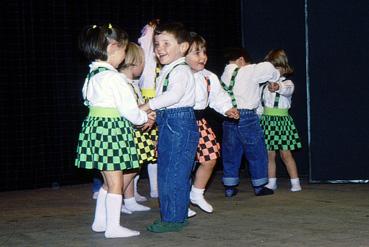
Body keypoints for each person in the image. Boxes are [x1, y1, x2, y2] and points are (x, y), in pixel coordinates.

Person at [75, 23, 154, 238]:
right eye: (124, 50)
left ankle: (101, 222)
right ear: (113, 48)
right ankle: (113, 227)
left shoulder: (92, 76)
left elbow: (87, 100)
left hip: (96, 130)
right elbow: (129, 110)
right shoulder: (115, 78)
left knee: (108, 181)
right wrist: (143, 117)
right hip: (111, 132)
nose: (124, 56)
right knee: (116, 182)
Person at [140, 22, 199, 233]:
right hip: (170, 121)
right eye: (156, 43)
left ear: (183, 47)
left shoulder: (181, 70)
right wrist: (153, 115)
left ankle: (173, 219)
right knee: (167, 171)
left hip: (180, 123)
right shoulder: (168, 69)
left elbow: (173, 96)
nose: (159, 48)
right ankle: (176, 215)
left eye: (166, 43)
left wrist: (147, 105)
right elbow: (164, 99)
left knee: (173, 173)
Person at [185, 32, 239, 214]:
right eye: (196, 53)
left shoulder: (209, 76)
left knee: (211, 157)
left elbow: (218, 96)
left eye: (204, 52)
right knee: (182, 164)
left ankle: (197, 193)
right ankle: (179, 202)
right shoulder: (176, 74)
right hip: (180, 122)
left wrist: (227, 109)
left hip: (200, 122)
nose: (202, 57)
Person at [220, 47, 280, 197]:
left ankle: (229, 187)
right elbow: (269, 69)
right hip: (247, 116)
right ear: (241, 59)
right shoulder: (250, 70)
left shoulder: (224, 74)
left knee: (231, 152)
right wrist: (274, 79)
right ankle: (259, 186)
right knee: (256, 152)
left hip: (229, 116)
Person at [119, 42, 157, 213]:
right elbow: (130, 110)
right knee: (131, 169)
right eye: (142, 62)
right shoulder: (123, 84)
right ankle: (116, 198)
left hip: (138, 131)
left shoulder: (131, 82)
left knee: (133, 168)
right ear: (134, 62)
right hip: (131, 133)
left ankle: (129, 199)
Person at [259, 49, 302, 192]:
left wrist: (277, 86)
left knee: (285, 154)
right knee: (269, 154)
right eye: (271, 68)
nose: (274, 71)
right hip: (267, 121)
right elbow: (260, 104)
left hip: (282, 122)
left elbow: (287, 90)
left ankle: (295, 182)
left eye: (277, 67)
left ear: (284, 68)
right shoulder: (264, 86)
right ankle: (272, 182)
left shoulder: (288, 83)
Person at [134, 20, 162, 201]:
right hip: (146, 102)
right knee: (138, 149)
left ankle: (155, 189)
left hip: (161, 103)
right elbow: (146, 42)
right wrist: (151, 29)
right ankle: (132, 191)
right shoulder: (148, 59)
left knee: (155, 151)